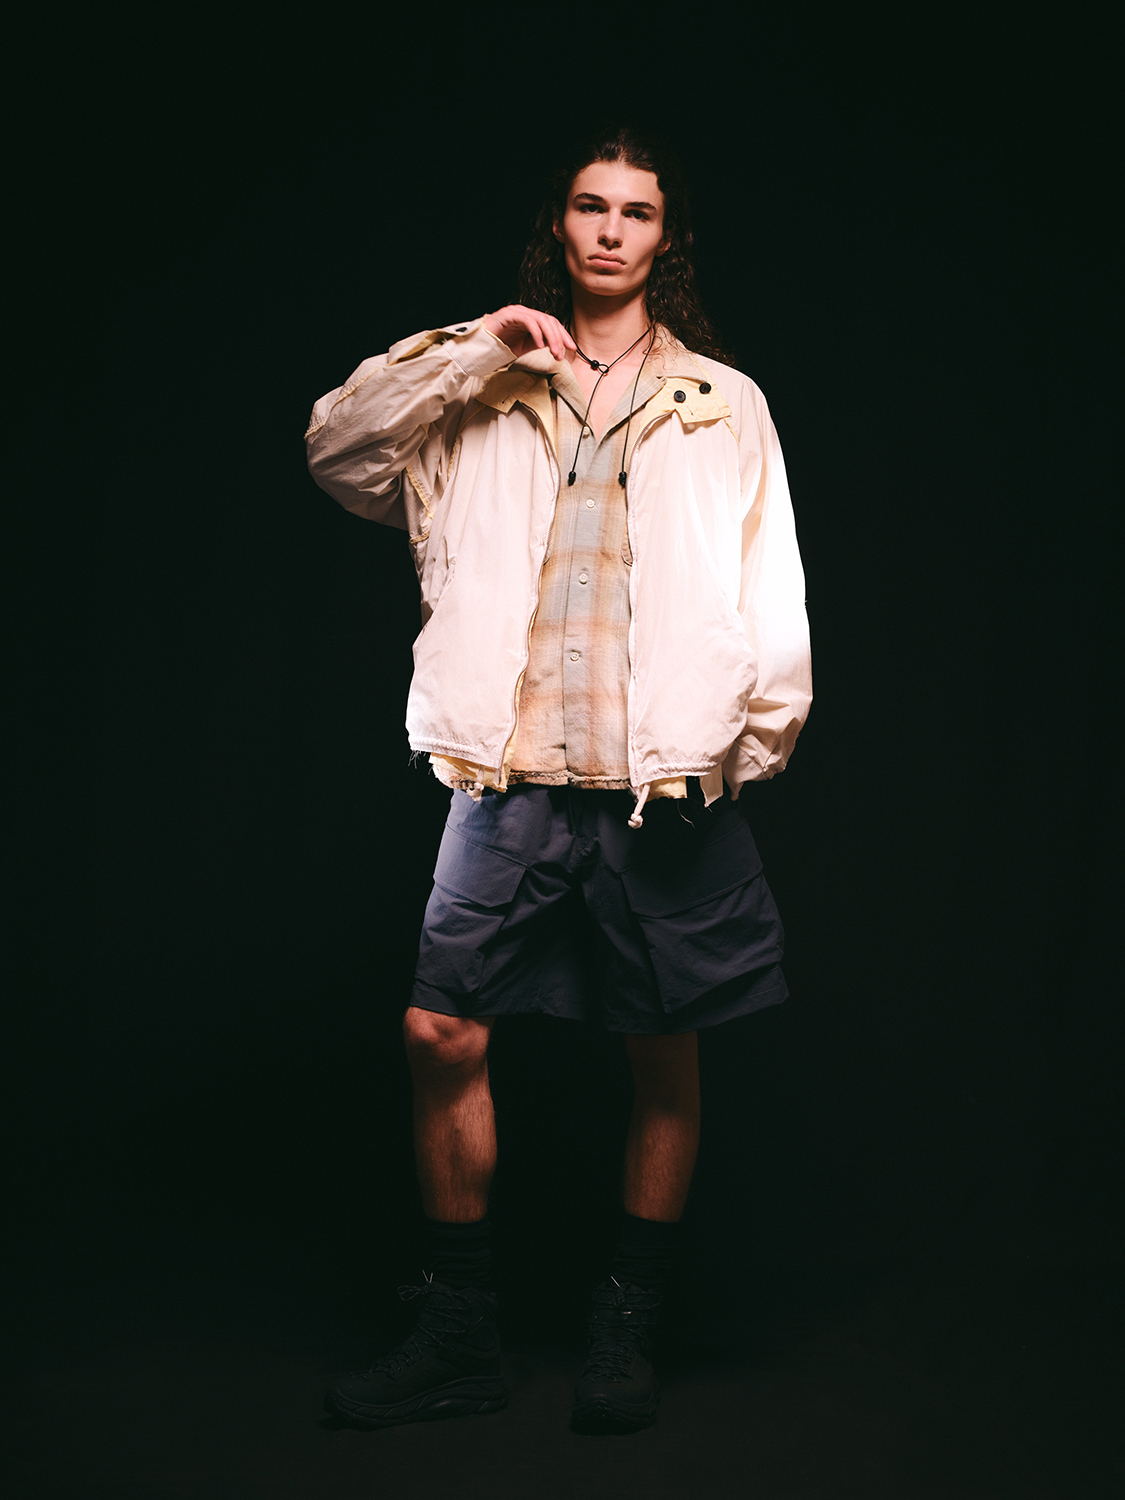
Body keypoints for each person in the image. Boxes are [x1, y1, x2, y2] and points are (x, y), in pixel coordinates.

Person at [304, 126, 812, 1434]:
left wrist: (739, 749)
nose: (610, 230)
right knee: (440, 1030)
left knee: (662, 1049)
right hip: (507, 772)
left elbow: (770, 585)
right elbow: (341, 454)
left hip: (658, 781)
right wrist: (475, 349)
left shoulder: (723, 401)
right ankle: (460, 1333)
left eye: (636, 212)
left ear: (663, 238)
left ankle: (626, 1321)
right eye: (591, 206)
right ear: (561, 225)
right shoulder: (480, 389)